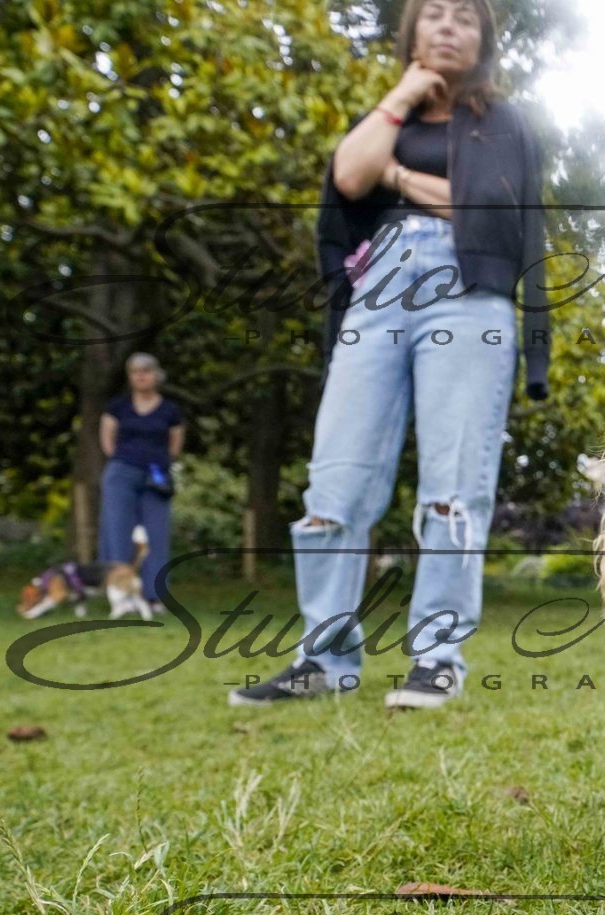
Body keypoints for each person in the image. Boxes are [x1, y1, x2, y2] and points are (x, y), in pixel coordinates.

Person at [232, 0, 549, 710]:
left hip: (468, 292)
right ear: (410, 34)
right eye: (432, 14)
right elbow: (349, 175)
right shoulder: (392, 112)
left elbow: (491, 215)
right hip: (376, 292)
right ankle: (324, 655)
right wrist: (404, 96)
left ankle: (437, 658)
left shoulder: (503, 124)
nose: (446, 26)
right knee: (334, 483)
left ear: (483, 41)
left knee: (454, 487)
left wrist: (397, 180)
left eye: (464, 17)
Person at [99, 352, 184, 606]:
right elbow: (107, 441)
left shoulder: (170, 410)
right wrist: (127, 460)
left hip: (156, 477)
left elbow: (175, 445)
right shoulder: (117, 407)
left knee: (156, 535)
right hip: (121, 473)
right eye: (135, 372)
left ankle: (154, 597)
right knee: (116, 533)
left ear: (156, 376)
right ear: (130, 377)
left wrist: (157, 463)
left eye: (146, 371)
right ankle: (120, 594)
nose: (141, 376)